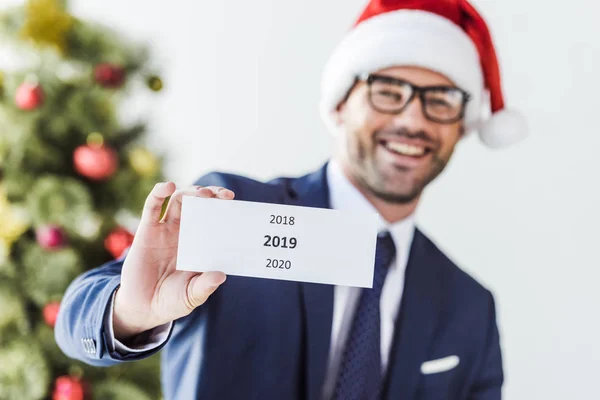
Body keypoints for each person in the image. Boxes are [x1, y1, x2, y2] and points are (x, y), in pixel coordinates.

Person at [55, 0, 527, 399]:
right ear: (340, 104)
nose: (413, 120)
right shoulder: (232, 210)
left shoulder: (470, 306)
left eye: (441, 99)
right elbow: (76, 317)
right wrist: (132, 312)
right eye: (387, 91)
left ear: (460, 128)